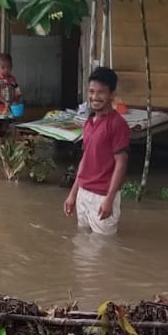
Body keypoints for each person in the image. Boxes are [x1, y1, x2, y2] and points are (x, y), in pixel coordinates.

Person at [64, 67, 131, 235]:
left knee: (104, 249)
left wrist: (109, 199)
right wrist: (73, 194)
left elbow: (121, 163)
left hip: (102, 195)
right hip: (84, 193)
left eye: (101, 92)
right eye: (91, 91)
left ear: (112, 94)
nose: (95, 97)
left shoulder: (117, 124)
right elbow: (85, 160)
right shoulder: (89, 122)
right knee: (82, 243)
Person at [0, 52, 22, 154]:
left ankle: (1, 146)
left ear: (11, 67)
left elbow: (18, 93)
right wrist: (4, 101)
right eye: (3, 67)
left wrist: (15, 100)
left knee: (4, 127)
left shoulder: (12, 79)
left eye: (8, 67)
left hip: (7, 110)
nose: (6, 70)